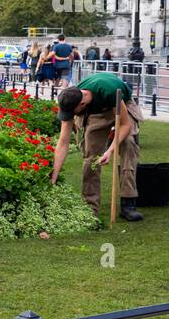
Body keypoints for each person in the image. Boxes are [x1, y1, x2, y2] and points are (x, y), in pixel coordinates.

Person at [51, 72, 145, 222]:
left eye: (72, 113)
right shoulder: (71, 97)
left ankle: (128, 202)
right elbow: (63, 142)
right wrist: (53, 176)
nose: (70, 115)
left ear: (81, 104)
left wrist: (110, 151)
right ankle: (90, 207)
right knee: (91, 156)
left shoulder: (110, 91)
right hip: (95, 113)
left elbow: (125, 126)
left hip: (121, 106)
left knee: (128, 144)